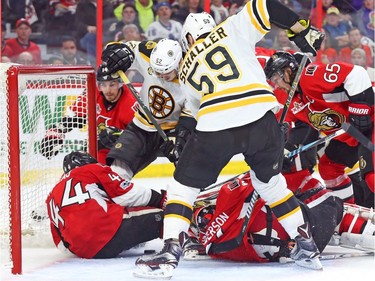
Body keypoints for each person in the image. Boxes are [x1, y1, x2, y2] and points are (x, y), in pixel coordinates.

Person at [100, 0, 325, 277]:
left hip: (217, 121)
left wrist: (184, 141)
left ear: (189, 39)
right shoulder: (232, 27)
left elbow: (193, 113)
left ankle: (170, 253)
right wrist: (300, 28)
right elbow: (267, 6)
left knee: (183, 188)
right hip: (263, 117)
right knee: (271, 185)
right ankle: (306, 247)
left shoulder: (186, 66)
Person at [264, 51, 374, 207]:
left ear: (287, 72)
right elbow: (286, 127)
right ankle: (347, 215)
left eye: (276, 79)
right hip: (350, 135)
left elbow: (356, 74)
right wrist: (279, 152)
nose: (276, 86)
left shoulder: (309, 76)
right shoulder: (294, 101)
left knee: (372, 176)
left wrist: (360, 108)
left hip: (371, 121)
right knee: (329, 169)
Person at [101, 38, 196, 182]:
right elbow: (120, 48)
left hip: (173, 130)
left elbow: (189, 116)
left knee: (187, 167)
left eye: (165, 73)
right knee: (118, 170)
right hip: (141, 125)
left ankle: (191, 192)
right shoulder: (147, 52)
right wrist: (114, 51)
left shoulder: (191, 77)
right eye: (157, 72)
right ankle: (118, 195)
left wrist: (179, 141)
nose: (160, 77)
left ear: (178, 64)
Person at [46, 150, 166, 259]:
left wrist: (87, 246)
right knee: (167, 215)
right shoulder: (91, 169)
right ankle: (181, 240)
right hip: (107, 230)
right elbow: (127, 195)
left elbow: (60, 243)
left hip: (85, 252)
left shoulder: (51, 196)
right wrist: (160, 199)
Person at [40, 63, 138, 164]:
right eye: (103, 85)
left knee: (99, 172)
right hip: (99, 144)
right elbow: (76, 118)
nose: (108, 90)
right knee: (76, 162)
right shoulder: (93, 92)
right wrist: (56, 132)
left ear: (120, 83)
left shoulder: (130, 103)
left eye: (112, 84)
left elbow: (142, 137)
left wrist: (120, 135)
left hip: (122, 150)